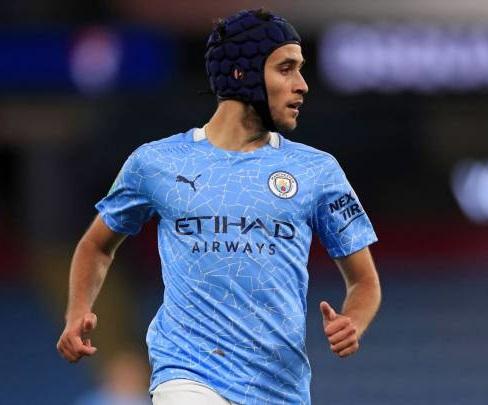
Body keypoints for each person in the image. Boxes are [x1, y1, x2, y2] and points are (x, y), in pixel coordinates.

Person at [57, 9, 381, 405]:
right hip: (187, 373)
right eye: (286, 69)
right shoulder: (156, 163)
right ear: (242, 74)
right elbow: (96, 245)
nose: (302, 85)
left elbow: (363, 281)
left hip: (280, 387)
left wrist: (353, 321)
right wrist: (77, 311)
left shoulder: (317, 170)